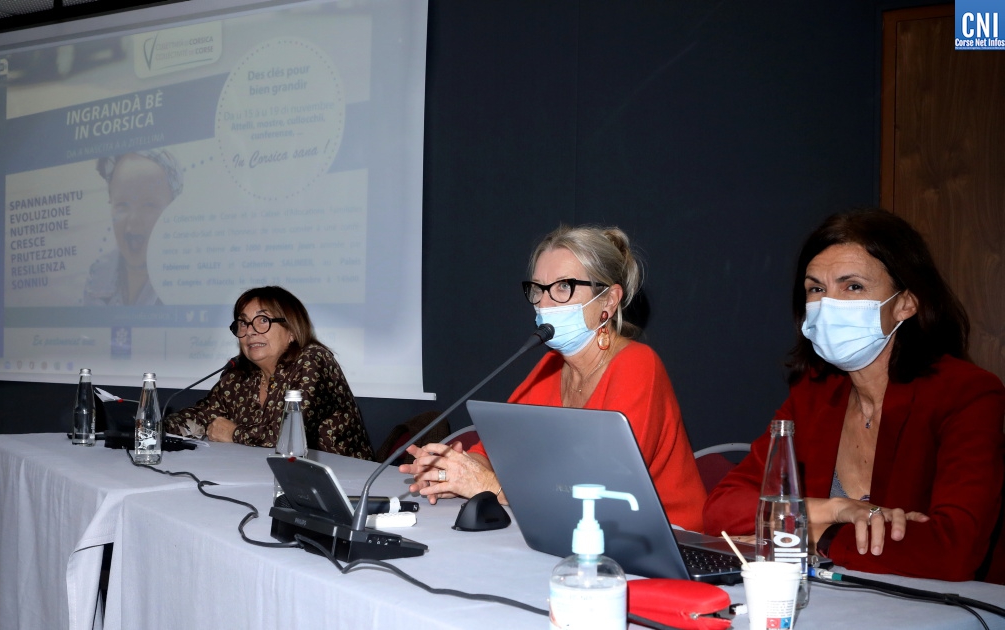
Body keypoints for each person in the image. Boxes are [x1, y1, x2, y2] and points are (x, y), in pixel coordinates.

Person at [703, 208, 1005, 582]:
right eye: (816, 288)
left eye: (853, 287)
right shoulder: (814, 394)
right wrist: (835, 509)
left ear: (905, 303)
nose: (829, 304)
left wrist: (816, 534)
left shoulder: (967, 394)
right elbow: (722, 507)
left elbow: (952, 550)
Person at [399, 225, 707, 531]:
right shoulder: (551, 366)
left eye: (563, 287)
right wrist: (450, 469)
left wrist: (487, 485)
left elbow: (602, 500)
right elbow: (491, 454)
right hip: (581, 537)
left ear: (609, 301)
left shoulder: (639, 366)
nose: (543, 305)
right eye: (538, 289)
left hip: (669, 543)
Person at [164, 286, 373, 459]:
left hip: (342, 484)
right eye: (243, 323)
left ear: (291, 330)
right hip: (270, 476)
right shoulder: (239, 375)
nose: (251, 330)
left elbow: (285, 436)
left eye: (263, 320)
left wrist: (233, 433)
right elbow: (200, 417)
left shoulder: (312, 360)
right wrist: (149, 426)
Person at [84, 148, 182, 306]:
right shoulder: (99, 272)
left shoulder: (185, 279)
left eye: (149, 205)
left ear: (173, 210)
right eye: (122, 205)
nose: (133, 221)